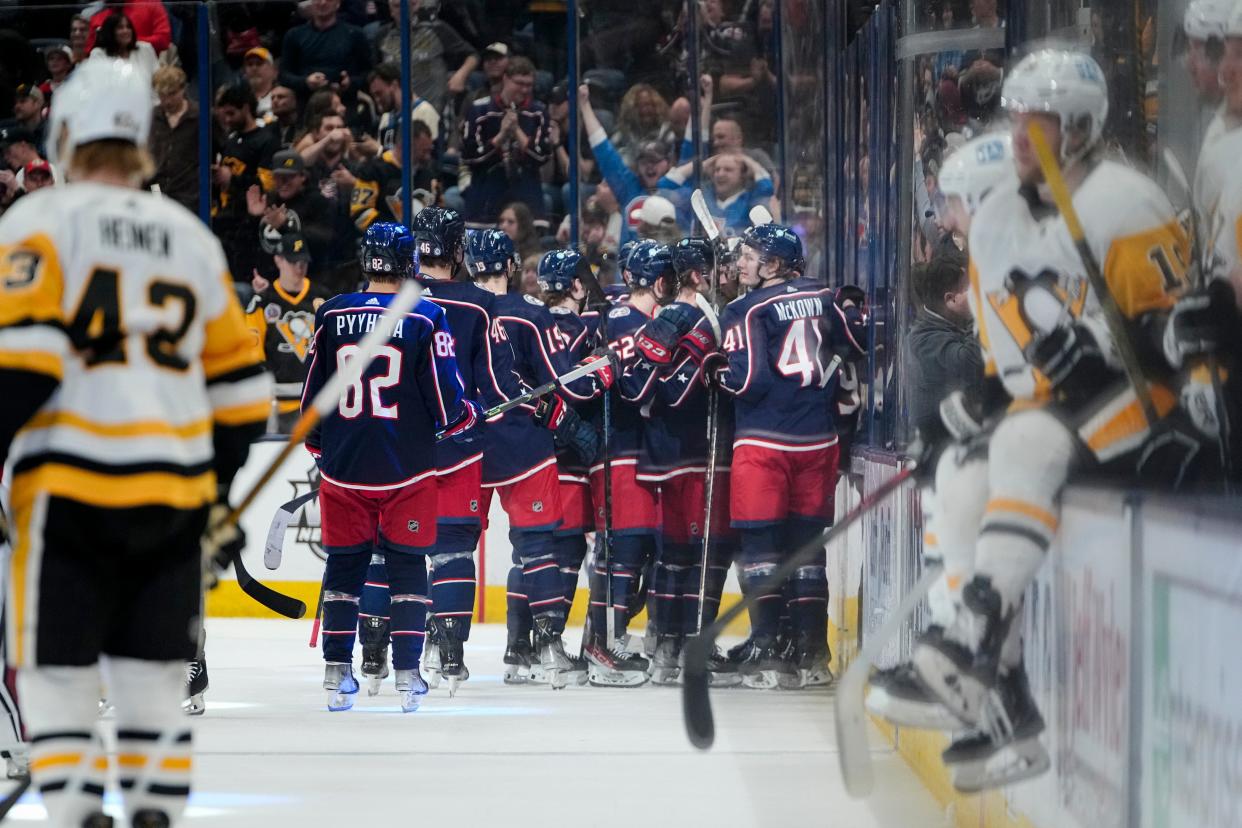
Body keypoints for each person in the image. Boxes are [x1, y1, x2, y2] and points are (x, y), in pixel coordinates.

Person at [913, 50, 1194, 793]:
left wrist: (1107, 349)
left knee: (1027, 443)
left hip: (1146, 408)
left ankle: (974, 636)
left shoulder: (1126, 201)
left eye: (1029, 123)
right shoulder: (1008, 212)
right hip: (1068, 406)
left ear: (1073, 128)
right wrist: (985, 398)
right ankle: (1002, 697)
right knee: (964, 473)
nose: (1015, 139)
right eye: (1011, 121)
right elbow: (1018, 345)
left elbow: (1174, 335)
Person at [0, 59, 269, 826]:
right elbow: (243, 402)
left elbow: (23, 369)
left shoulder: (38, 223)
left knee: (56, 671)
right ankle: (153, 812)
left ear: (65, 132)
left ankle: (80, 811)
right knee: (155, 678)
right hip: (173, 496)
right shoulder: (187, 237)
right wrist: (215, 495)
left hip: (69, 490)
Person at [868, 131, 1012, 733]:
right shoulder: (932, 333)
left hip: (991, 454)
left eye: (958, 204)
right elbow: (980, 370)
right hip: (961, 454)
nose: (951, 218)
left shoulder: (997, 270)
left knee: (966, 557)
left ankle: (965, 668)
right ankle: (953, 664)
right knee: (950, 555)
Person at [304, 221, 479, 713]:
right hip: (407, 469)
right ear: (409, 264)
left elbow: (311, 400)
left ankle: (337, 673)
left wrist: (323, 450)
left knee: (344, 568)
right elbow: (446, 403)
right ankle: (407, 674)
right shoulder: (426, 315)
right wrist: (463, 416)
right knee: (406, 567)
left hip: (344, 469)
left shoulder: (331, 313)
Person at [698, 224, 845, 689]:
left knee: (760, 549)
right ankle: (811, 653)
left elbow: (749, 381)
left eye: (749, 256)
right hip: (819, 439)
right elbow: (851, 347)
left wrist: (715, 368)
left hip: (765, 443)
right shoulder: (825, 296)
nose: (741, 263)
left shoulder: (748, 308)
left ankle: (766, 649)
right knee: (807, 550)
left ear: (774, 265)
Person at [468, 232, 604, 688]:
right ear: (509, 265)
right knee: (536, 547)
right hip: (523, 446)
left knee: (448, 549)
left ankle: (442, 650)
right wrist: (600, 375)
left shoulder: (452, 310)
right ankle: (547, 651)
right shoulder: (528, 315)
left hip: (463, 448)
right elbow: (565, 383)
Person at [406, 207, 520, 693]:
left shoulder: (390, 300)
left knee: (399, 548)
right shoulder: (479, 305)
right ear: (458, 251)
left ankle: (382, 653)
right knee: (453, 549)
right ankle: (450, 654)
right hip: (459, 449)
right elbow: (496, 384)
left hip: (400, 451)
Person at [626, 238, 740, 686]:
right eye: (719, 268)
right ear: (697, 275)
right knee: (688, 556)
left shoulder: (711, 314)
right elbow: (645, 388)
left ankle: (672, 645)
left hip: (692, 452)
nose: (727, 274)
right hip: (681, 453)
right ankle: (679, 645)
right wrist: (698, 366)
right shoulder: (680, 315)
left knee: (690, 555)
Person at [581, 241, 672, 686]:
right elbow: (619, 384)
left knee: (648, 551)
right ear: (657, 280)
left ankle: (607, 636)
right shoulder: (616, 319)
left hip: (652, 450)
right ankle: (603, 645)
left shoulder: (650, 319)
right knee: (622, 550)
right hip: (618, 447)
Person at [245, 232, 332, 432]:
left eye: (303, 261)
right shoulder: (263, 302)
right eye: (293, 261)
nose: (299, 267)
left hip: (315, 404)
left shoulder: (322, 299)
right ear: (278, 260)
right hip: (277, 405)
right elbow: (253, 353)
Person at [460, 57, 552, 224]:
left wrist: (517, 130)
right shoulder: (479, 110)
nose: (524, 89)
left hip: (528, 203)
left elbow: (541, 157)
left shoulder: (538, 112)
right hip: (484, 204)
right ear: (505, 79)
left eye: (529, 85)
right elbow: (469, 156)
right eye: (519, 83)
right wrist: (501, 136)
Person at [214, 83, 279, 282]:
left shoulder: (266, 139)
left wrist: (232, 178)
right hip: (226, 222)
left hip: (251, 225)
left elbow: (267, 185)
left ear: (245, 108)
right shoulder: (231, 142)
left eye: (231, 113)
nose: (227, 119)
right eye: (224, 114)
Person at [279, 0, 373, 98]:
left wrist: (350, 82)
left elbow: (368, 72)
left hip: (345, 100)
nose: (323, 2)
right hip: (307, 102)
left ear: (338, 3)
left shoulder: (355, 34)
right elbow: (284, 75)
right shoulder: (294, 35)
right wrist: (305, 82)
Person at [150, 65, 200, 213]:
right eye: (162, 95)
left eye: (172, 94)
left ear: (183, 89)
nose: (167, 101)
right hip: (157, 191)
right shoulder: (152, 117)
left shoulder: (199, 116)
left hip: (189, 195)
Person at [88, 12, 159, 86]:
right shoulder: (98, 54)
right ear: (110, 32)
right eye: (120, 28)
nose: (126, 31)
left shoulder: (145, 48)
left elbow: (158, 80)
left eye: (128, 27)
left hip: (148, 97)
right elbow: (96, 85)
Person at [85, 0, 171, 55]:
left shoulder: (151, 4)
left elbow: (163, 40)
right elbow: (87, 50)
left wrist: (129, 42)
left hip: (144, 66)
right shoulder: (96, 16)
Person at [243, 47, 280, 118]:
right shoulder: (241, 101)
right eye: (250, 64)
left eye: (259, 64)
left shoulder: (281, 99)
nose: (254, 68)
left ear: (274, 71)